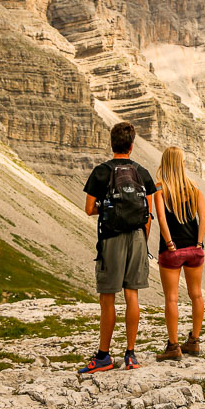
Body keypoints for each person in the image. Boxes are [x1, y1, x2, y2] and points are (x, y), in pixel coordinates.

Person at [79, 122, 160, 373]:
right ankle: (131, 355)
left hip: (111, 238)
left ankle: (104, 356)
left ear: (111, 143)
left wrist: (106, 207)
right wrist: (143, 243)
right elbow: (148, 213)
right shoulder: (142, 173)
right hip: (137, 237)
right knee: (132, 294)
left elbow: (89, 208)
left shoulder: (101, 172)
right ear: (132, 145)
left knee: (108, 298)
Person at [153, 147, 205, 361]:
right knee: (196, 295)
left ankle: (173, 346)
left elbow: (161, 219)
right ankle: (194, 341)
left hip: (171, 251)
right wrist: (199, 243)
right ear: (180, 163)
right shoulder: (194, 188)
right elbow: (203, 217)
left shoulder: (160, 189)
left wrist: (169, 242)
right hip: (194, 250)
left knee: (172, 299)